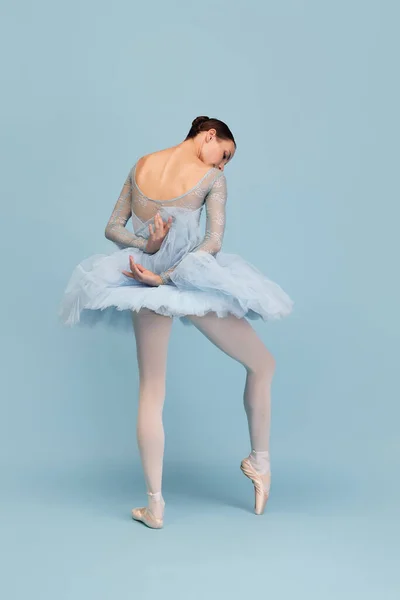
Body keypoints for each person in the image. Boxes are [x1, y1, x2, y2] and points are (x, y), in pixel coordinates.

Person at [59, 116, 293, 529]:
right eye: (225, 155)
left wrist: (146, 247)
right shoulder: (209, 179)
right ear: (208, 136)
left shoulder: (142, 165)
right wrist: (167, 276)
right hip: (185, 278)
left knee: (151, 390)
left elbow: (113, 228)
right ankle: (260, 463)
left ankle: (154, 507)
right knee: (263, 365)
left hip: (138, 278)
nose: (222, 166)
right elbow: (213, 242)